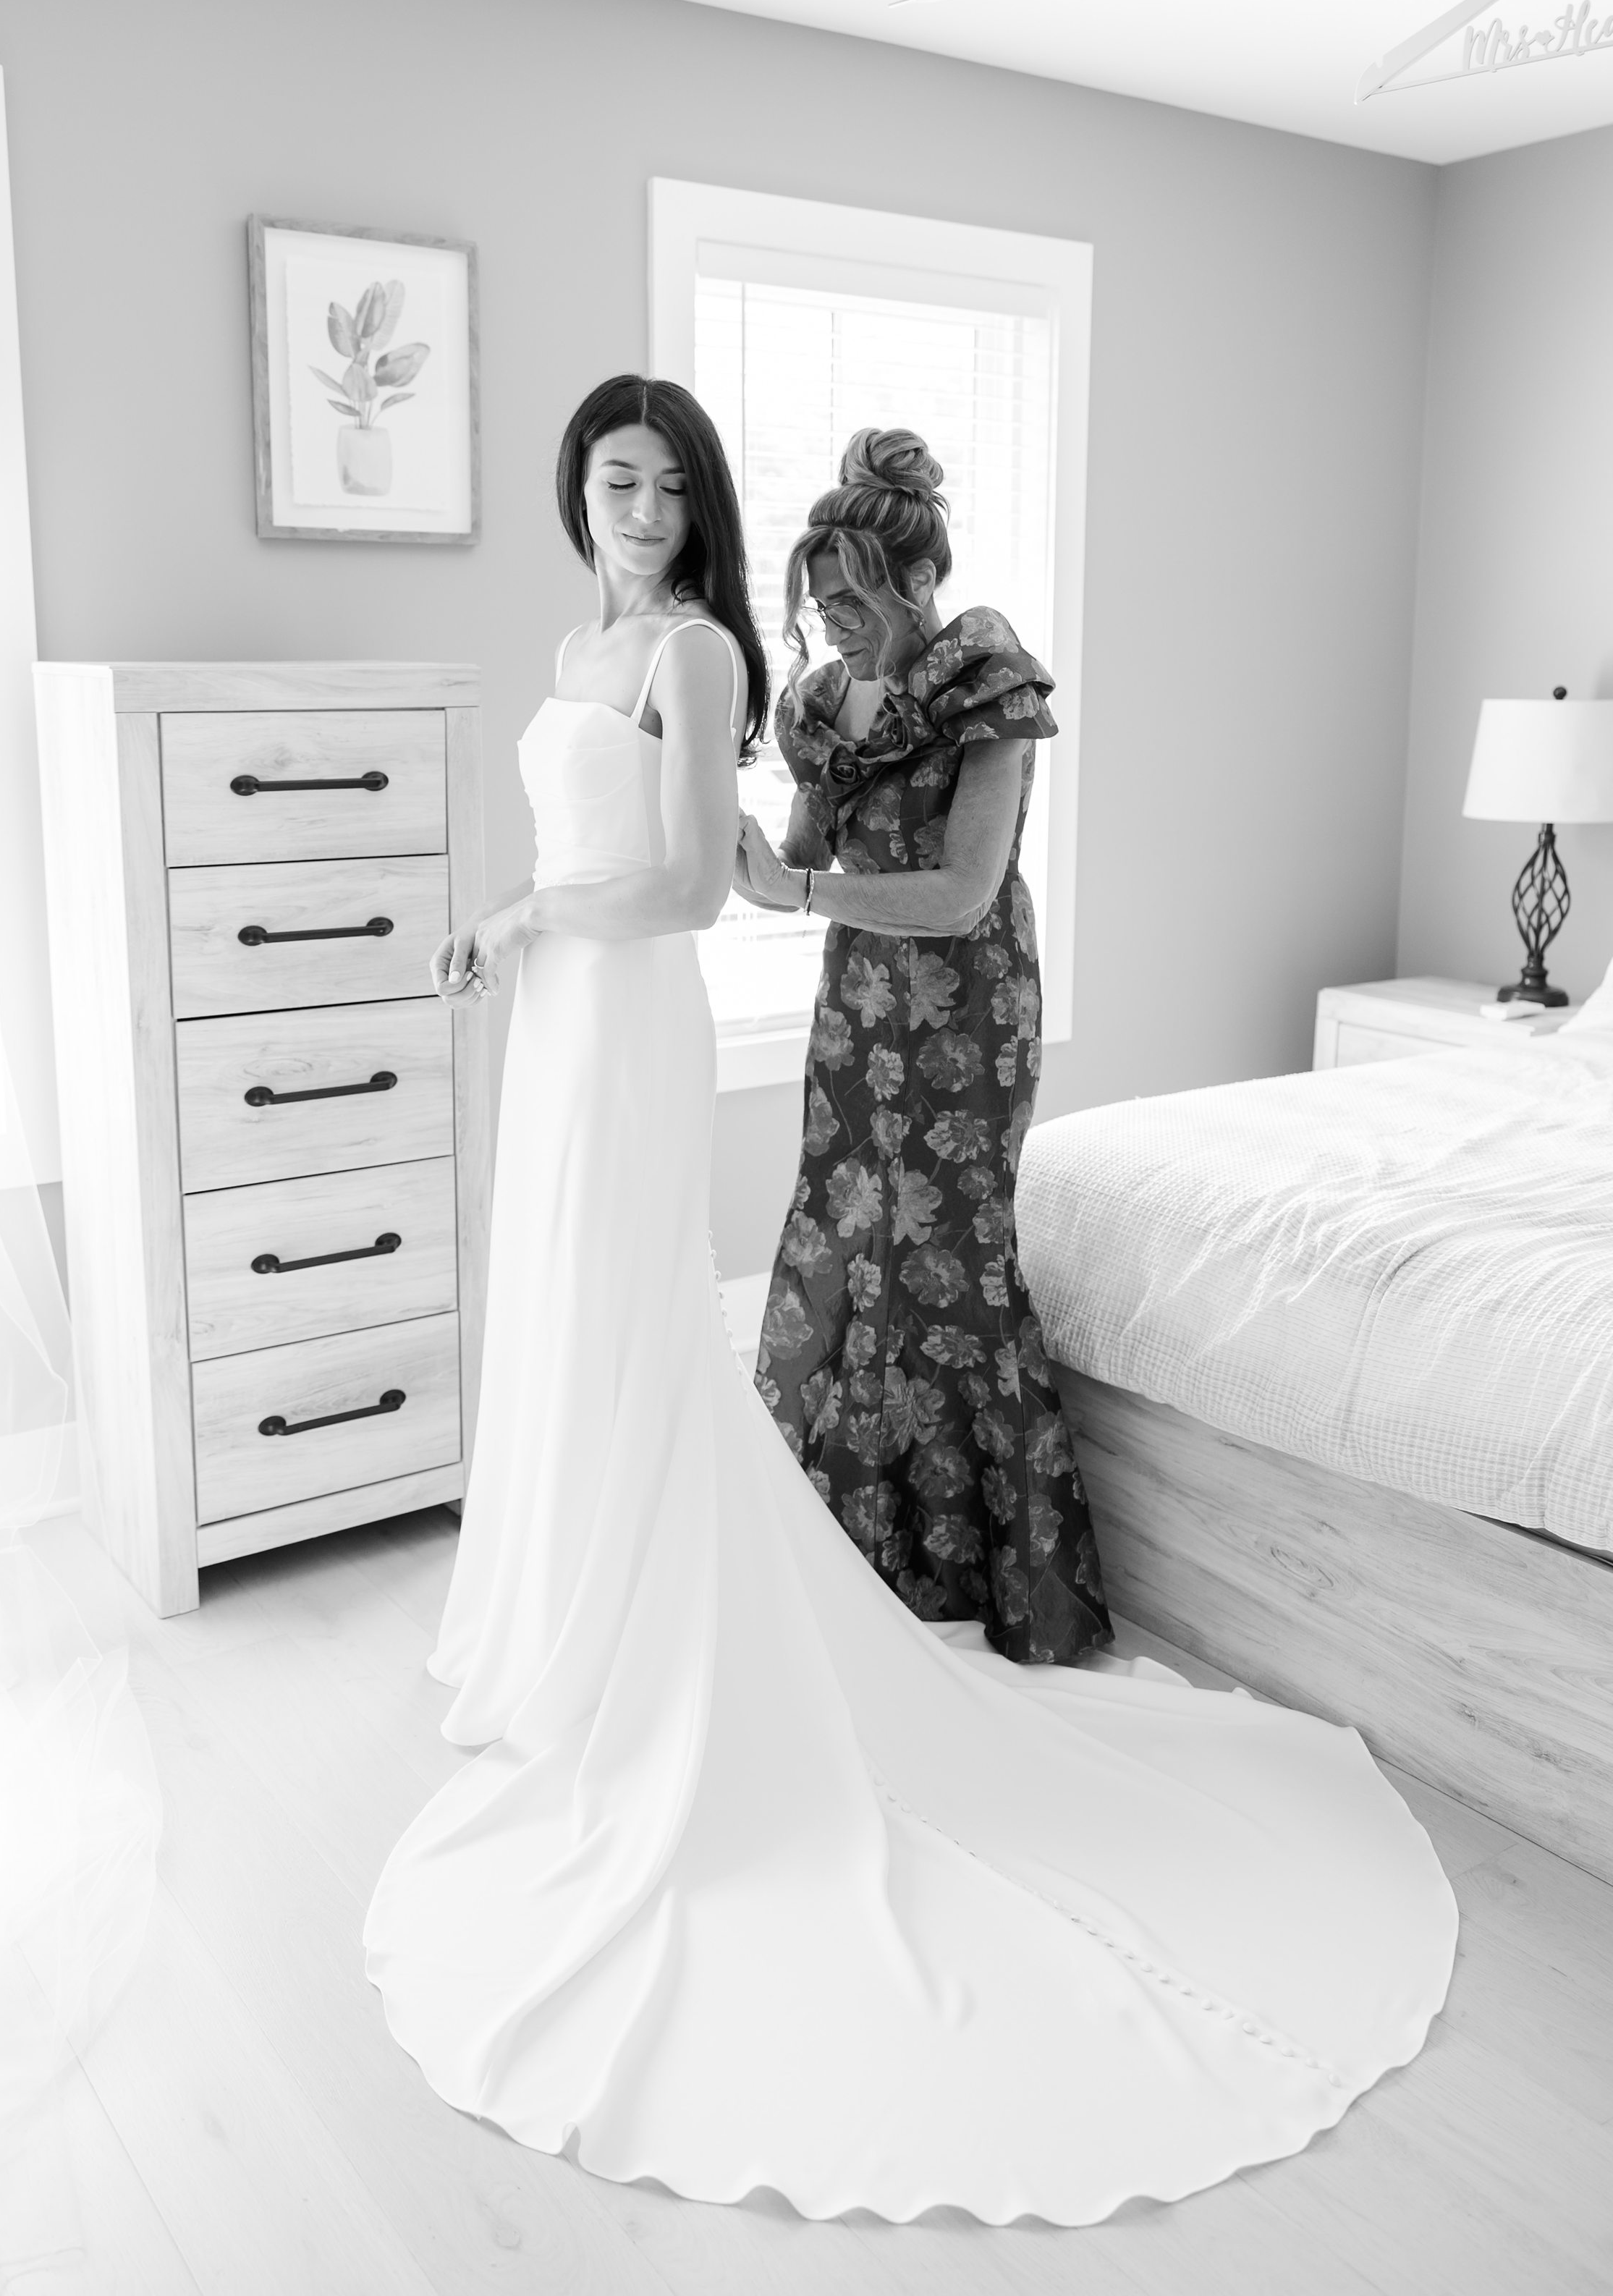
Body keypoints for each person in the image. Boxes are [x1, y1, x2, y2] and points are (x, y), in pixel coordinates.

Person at [363, 375, 1456, 2228]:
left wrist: (616, 906)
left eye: (661, 481)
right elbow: (729, 862)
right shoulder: (684, 662)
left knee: (863, 1282)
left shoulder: (848, 671)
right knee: (754, 1284)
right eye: (607, 478)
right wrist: (576, 907)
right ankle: (720, 1579)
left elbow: (869, 885)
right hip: (711, 1007)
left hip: (876, 1000)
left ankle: (921, 1587)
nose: (638, 506)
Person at [734, 430, 1106, 1663]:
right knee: (838, 1246)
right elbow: (796, 858)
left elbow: (960, 890)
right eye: (818, 602)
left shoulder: (983, 677)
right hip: (859, 1014)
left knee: (953, 1265)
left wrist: (799, 897)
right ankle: (842, 1563)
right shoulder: (818, 705)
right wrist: (728, 846)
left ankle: (992, 1580)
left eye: (853, 598)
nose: (832, 622)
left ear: (916, 577)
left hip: (969, 1016)